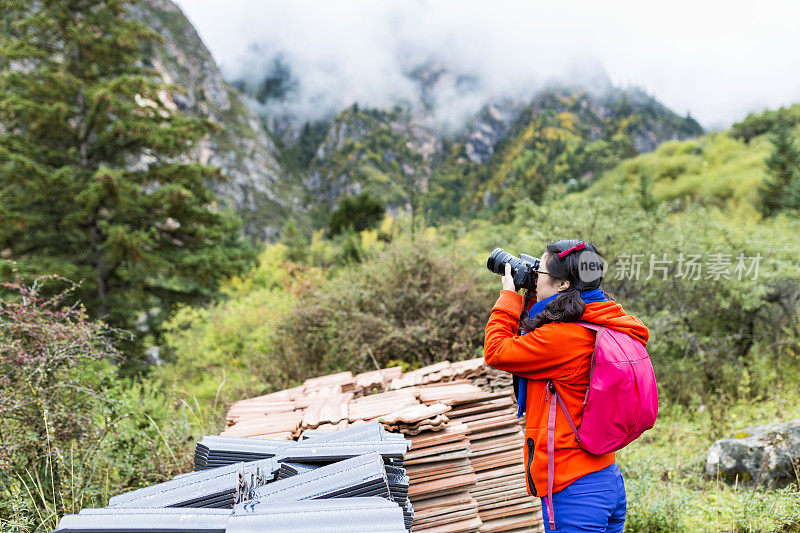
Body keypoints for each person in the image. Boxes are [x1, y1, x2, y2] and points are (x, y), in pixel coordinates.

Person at [484, 239, 649, 532]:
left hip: (573, 489)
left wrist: (509, 295)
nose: (535, 277)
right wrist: (535, 297)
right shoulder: (606, 318)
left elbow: (497, 350)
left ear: (562, 285)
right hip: (606, 477)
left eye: (541, 272)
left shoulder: (562, 339)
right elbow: (547, 328)